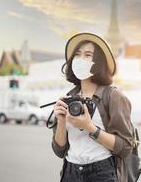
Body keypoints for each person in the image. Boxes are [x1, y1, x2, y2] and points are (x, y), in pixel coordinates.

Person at [52, 33, 133, 182]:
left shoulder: (113, 97)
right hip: (70, 172)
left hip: (102, 172)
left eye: (87, 55)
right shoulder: (69, 98)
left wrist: (90, 127)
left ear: (98, 62)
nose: (80, 59)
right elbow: (59, 150)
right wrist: (61, 121)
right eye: (77, 55)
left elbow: (125, 147)